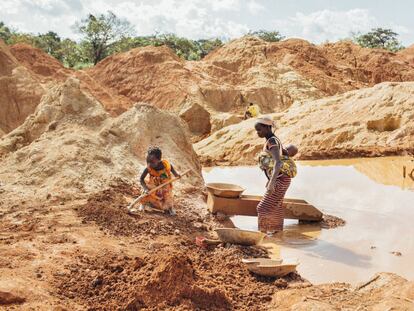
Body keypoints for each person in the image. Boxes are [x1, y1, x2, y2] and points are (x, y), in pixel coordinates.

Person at [255, 116, 294, 235]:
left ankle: (262, 235)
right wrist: (271, 179)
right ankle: (278, 233)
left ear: (267, 127)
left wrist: (272, 182)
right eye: (256, 130)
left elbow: (278, 162)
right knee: (276, 206)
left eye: (259, 130)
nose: (258, 133)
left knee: (262, 208)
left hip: (280, 180)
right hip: (282, 179)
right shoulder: (273, 140)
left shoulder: (272, 141)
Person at [139, 147, 181, 215]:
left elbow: (171, 167)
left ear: (159, 160)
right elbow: (141, 179)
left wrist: (176, 174)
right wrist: (145, 188)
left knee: (167, 194)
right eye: (148, 162)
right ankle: (143, 204)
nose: (149, 164)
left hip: (164, 181)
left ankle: (170, 208)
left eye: (152, 162)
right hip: (154, 182)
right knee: (147, 191)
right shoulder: (148, 168)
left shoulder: (165, 165)